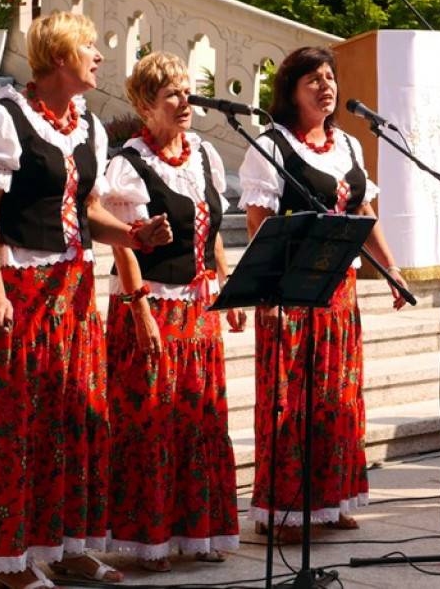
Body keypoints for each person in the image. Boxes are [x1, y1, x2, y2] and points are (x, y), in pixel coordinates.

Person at [0, 12, 171, 589]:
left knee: (73, 421)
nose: (98, 56)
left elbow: (88, 211)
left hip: (75, 295)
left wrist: (133, 236)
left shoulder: (89, 127)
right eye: (88, 46)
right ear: (59, 56)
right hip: (21, 290)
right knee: (17, 423)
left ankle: (70, 548)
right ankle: (11, 558)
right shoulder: (5, 119)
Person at [238, 45, 408, 544]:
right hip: (291, 293)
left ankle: (329, 500)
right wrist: (268, 294)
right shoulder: (270, 146)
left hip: (340, 292)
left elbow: (364, 215)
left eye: (330, 77)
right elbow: (258, 224)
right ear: (291, 90)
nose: (325, 86)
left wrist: (392, 268)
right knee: (291, 402)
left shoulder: (348, 145)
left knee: (336, 399)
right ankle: (284, 508)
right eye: (313, 78)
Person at [103, 52, 244, 570]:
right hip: (153, 302)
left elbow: (212, 232)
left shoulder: (204, 154)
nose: (185, 102)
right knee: (151, 423)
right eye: (172, 95)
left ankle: (196, 531)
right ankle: (150, 539)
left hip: (198, 306)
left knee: (199, 419)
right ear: (146, 105)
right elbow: (123, 245)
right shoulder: (130, 163)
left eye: (187, 91)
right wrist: (140, 312)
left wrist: (226, 288)